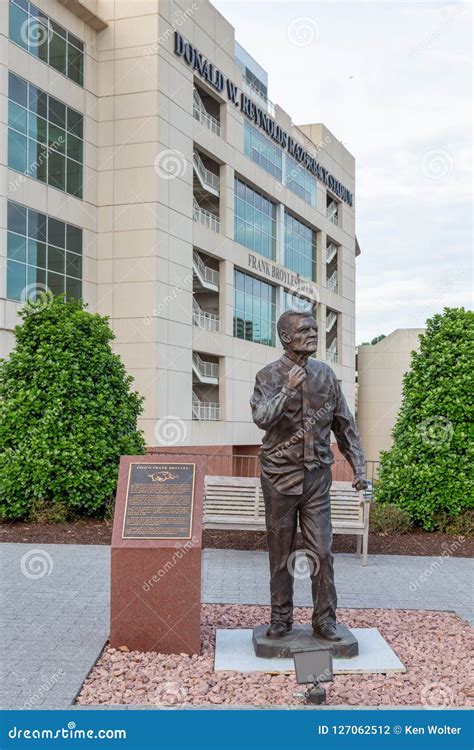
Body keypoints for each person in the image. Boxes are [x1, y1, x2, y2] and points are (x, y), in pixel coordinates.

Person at [250, 310, 368, 641]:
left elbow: (345, 425)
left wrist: (359, 468)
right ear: (286, 337)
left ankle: (325, 620)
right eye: (305, 330)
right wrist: (287, 389)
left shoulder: (326, 376)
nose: (314, 334)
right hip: (279, 476)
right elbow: (262, 418)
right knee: (281, 552)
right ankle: (280, 618)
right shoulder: (268, 376)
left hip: (316, 479)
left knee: (323, 551)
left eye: (315, 329)